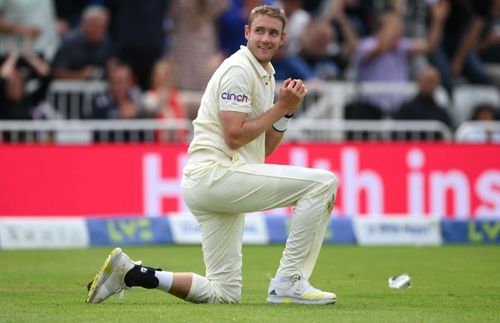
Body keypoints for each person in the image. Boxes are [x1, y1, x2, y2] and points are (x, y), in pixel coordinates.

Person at [86, 5, 338, 305]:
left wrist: (286, 113)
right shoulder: (239, 69)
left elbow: (265, 147)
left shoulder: (265, 74)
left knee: (223, 294)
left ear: (283, 38)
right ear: (247, 33)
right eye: (259, 31)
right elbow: (234, 136)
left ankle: (133, 274)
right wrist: (280, 108)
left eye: (273, 33)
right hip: (216, 174)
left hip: (213, 180)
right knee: (322, 183)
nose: (266, 38)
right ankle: (289, 281)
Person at [51, 6, 110, 80]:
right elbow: (57, 72)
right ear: (84, 24)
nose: (100, 30)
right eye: (96, 26)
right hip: (68, 89)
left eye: (103, 26)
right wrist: (80, 75)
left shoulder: (106, 41)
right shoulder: (69, 42)